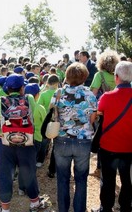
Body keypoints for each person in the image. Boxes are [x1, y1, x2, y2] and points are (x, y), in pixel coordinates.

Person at [0, 74, 45, 212]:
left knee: (5, 175)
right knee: (29, 172)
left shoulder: (0, 102)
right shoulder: (28, 98)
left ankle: (5, 208)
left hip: (6, 143)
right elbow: (33, 114)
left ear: (7, 88)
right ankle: (34, 203)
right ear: (22, 87)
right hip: (26, 143)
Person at [52, 62, 97, 212]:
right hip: (83, 141)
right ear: (84, 76)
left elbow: (53, 114)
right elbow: (93, 118)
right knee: (81, 179)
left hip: (62, 140)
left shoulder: (58, 93)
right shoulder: (90, 94)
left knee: (62, 179)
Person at [94, 61, 132, 212]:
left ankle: (106, 207)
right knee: (127, 180)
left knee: (108, 180)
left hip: (108, 146)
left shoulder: (106, 97)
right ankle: (125, 207)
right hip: (129, 147)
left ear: (116, 77)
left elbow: (99, 115)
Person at [90, 50, 120, 177]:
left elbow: (93, 95)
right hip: (118, 110)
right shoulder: (119, 75)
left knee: (101, 137)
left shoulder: (99, 75)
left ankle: (99, 167)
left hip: (102, 110)